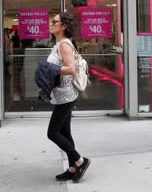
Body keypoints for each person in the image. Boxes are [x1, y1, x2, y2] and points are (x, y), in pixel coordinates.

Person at [46, 12, 90, 182]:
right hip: (61, 94)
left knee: (52, 133)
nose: (51, 24)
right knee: (65, 132)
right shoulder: (59, 43)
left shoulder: (64, 44)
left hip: (66, 95)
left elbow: (70, 69)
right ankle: (72, 169)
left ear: (63, 26)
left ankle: (80, 160)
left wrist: (50, 69)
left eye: (54, 22)